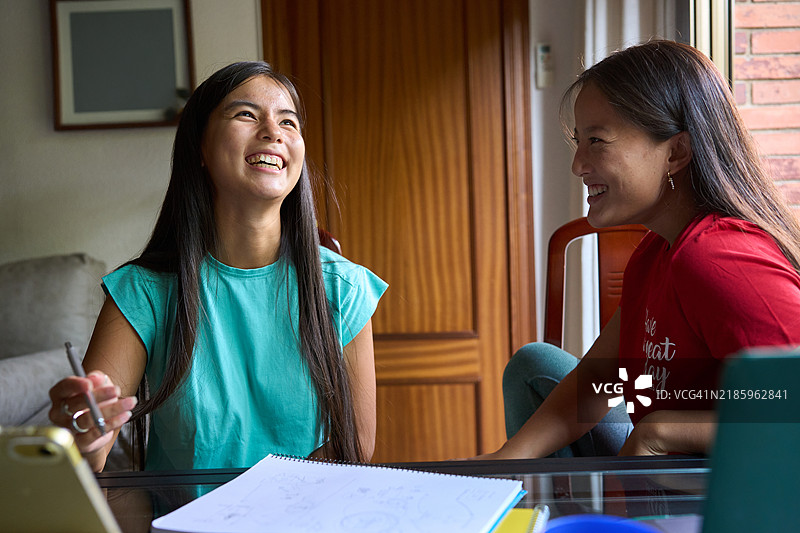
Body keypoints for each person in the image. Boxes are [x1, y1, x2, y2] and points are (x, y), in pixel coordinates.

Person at [48, 61, 387, 472]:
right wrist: (84, 435)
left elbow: (355, 447)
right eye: (246, 114)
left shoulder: (343, 287)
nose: (273, 132)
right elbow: (92, 453)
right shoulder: (143, 291)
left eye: (289, 122)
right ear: (201, 149)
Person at [478, 40, 800, 460]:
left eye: (597, 140)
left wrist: (664, 433)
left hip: (722, 499)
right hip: (657, 476)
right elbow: (598, 378)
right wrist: (508, 459)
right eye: (579, 141)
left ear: (676, 152)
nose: (577, 164)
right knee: (534, 365)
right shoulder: (654, 253)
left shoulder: (718, 259)